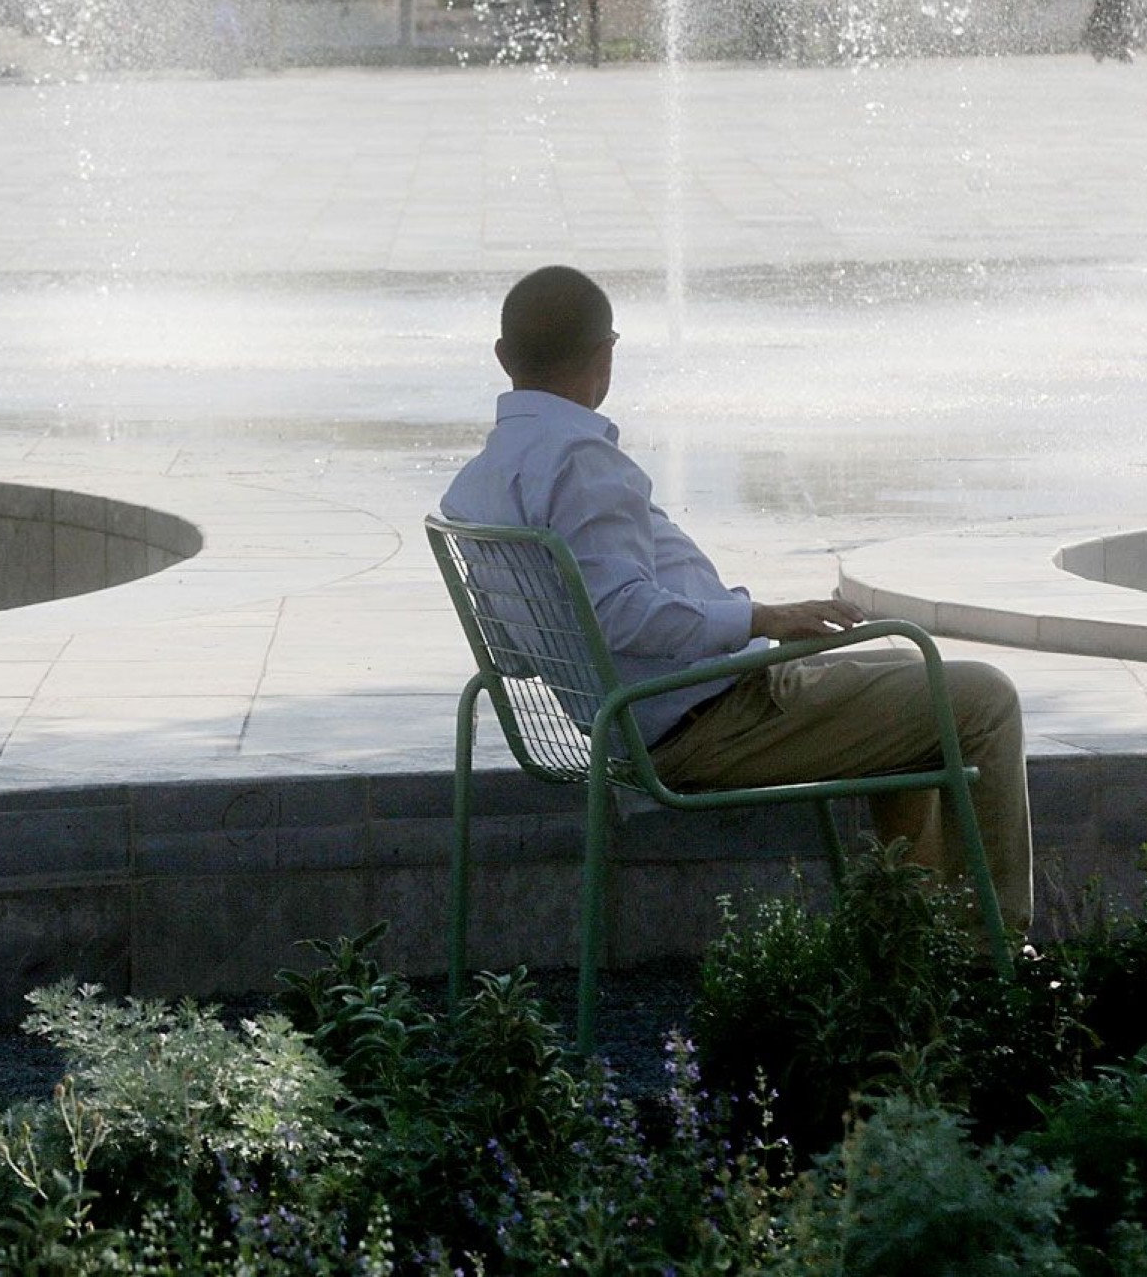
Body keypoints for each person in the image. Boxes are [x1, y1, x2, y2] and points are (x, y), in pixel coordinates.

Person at [441, 265, 1032, 934]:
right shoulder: (579, 459)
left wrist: (740, 636)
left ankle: (906, 936)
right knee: (984, 698)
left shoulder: (479, 484)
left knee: (906, 673)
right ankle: (989, 954)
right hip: (703, 723)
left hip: (650, 716)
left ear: (502, 357)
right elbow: (619, 613)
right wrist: (762, 618)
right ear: (606, 356)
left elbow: (518, 657)